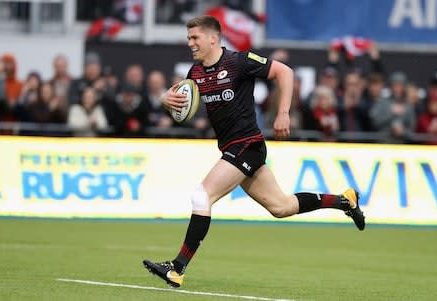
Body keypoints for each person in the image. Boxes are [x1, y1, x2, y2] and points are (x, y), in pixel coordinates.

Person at [143, 16, 365, 288]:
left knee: (202, 196)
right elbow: (177, 104)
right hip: (234, 149)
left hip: (247, 145)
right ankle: (345, 201)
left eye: (194, 38)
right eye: (188, 38)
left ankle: (177, 268)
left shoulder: (239, 62)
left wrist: (283, 113)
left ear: (213, 38)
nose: (190, 43)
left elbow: (285, 72)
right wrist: (165, 100)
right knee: (281, 207)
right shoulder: (195, 74)